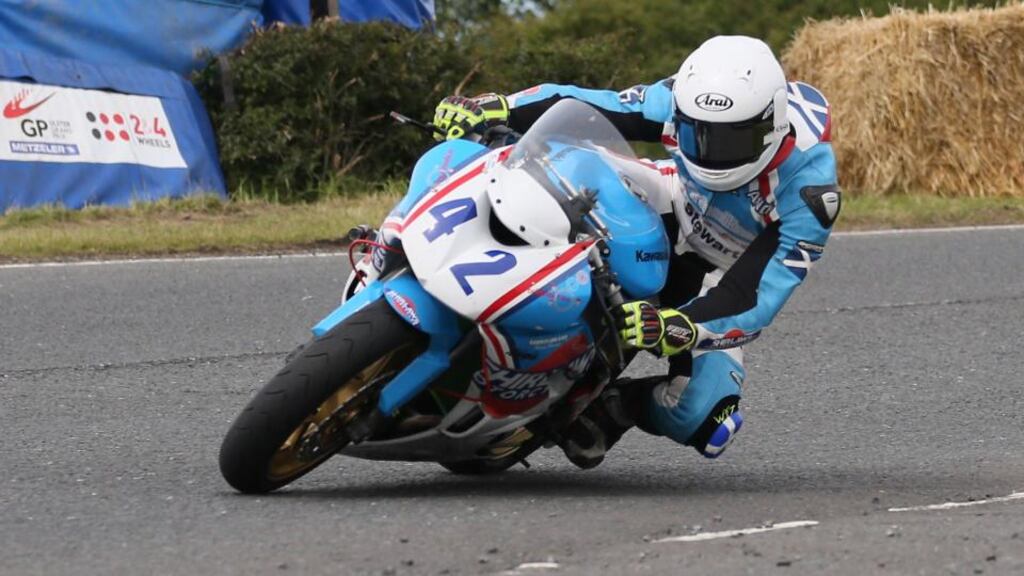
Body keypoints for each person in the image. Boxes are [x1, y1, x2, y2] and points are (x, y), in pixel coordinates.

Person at [432, 35, 841, 468]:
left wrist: (680, 325)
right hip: (667, 196)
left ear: (771, 126)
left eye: (730, 141)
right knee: (558, 158)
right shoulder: (680, 99)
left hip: (721, 273)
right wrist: (499, 107)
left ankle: (613, 407)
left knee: (706, 417)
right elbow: (590, 105)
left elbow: (755, 295)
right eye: (696, 134)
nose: (709, 152)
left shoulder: (811, 194)